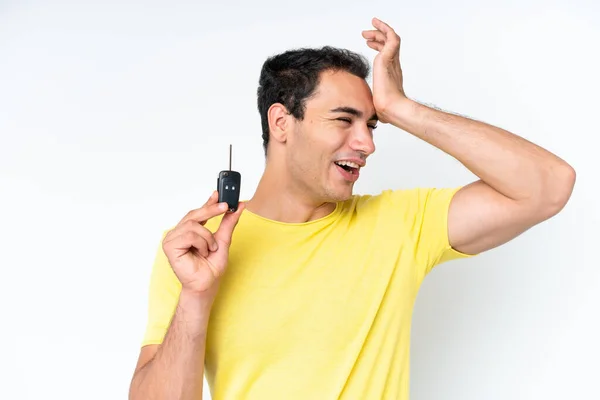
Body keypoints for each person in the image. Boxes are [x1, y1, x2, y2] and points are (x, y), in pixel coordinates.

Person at [128, 17, 575, 400]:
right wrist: (196, 296)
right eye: (344, 120)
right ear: (282, 122)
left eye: (373, 124)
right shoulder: (195, 252)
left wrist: (402, 108)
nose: (367, 144)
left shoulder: (402, 224)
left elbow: (548, 185)